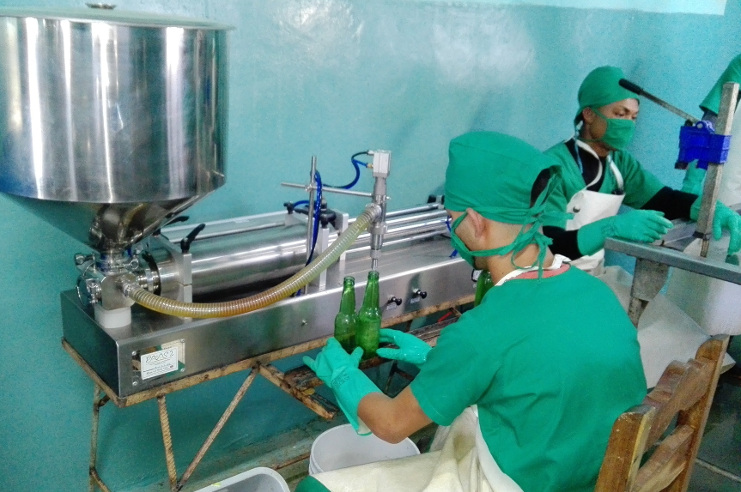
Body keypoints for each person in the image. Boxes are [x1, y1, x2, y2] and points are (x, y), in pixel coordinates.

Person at [295, 131, 646, 492]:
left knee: (313, 489)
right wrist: (436, 359)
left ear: (476, 222)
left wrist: (342, 377)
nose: (453, 230)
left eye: (452, 219)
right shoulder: (595, 292)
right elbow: (533, 367)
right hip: (592, 475)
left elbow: (391, 425)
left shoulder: (483, 330)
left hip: (517, 483)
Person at [541, 65, 741, 273]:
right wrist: (612, 227)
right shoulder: (553, 167)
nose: (628, 124)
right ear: (589, 114)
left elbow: (664, 200)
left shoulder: (620, 163)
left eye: (633, 117)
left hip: (594, 274)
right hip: (551, 277)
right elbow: (551, 244)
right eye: (621, 114)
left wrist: (709, 209)